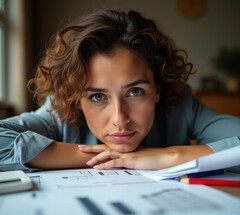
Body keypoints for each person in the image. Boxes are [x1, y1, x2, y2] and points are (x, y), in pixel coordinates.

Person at [0, 9, 240, 172]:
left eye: (135, 92)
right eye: (97, 96)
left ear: (157, 88)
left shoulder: (182, 104)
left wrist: (168, 156)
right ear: (76, 100)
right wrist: (110, 158)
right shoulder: (59, 112)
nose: (119, 120)